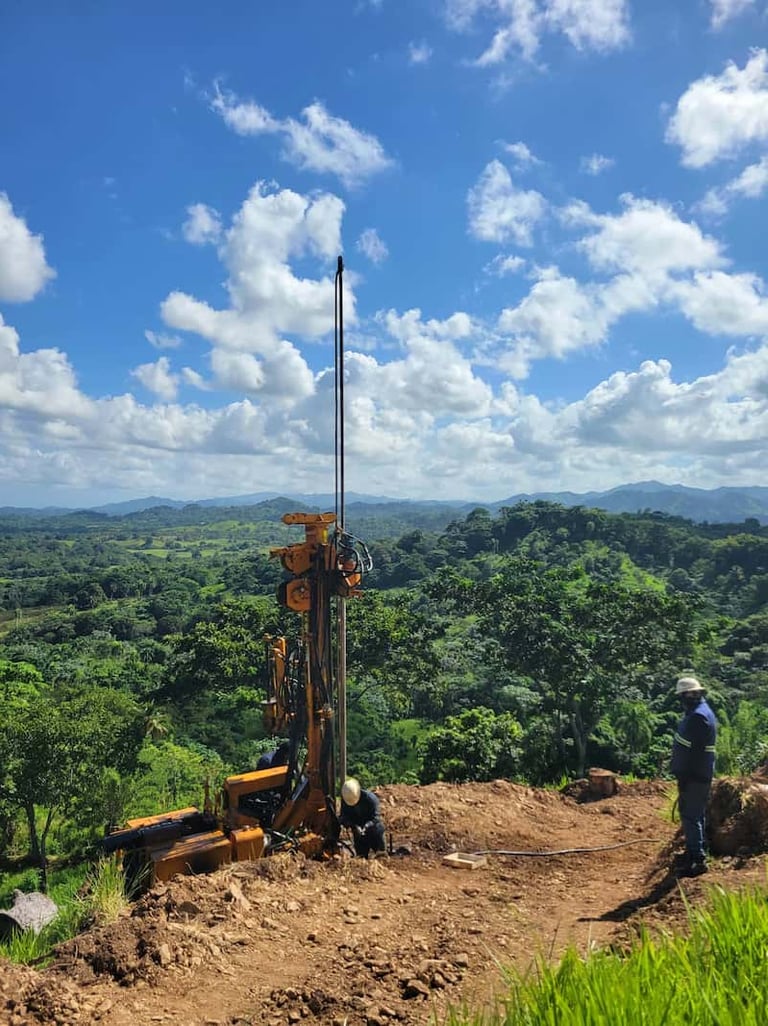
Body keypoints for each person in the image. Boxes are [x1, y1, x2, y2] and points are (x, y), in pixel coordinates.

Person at [670, 675, 717, 877]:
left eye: (685, 695)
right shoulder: (699, 712)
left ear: (691, 695)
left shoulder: (698, 717)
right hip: (698, 773)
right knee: (696, 814)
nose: (683, 699)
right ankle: (696, 850)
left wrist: (686, 775)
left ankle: (697, 859)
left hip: (695, 775)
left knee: (691, 815)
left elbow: (695, 752)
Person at [339, 778, 386, 858]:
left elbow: (376, 818)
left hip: (374, 832)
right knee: (361, 857)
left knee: (381, 856)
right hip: (359, 835)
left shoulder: (371, 799)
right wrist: (353, 825)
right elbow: (344, 816)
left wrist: (366, 826)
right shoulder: (346, 800)